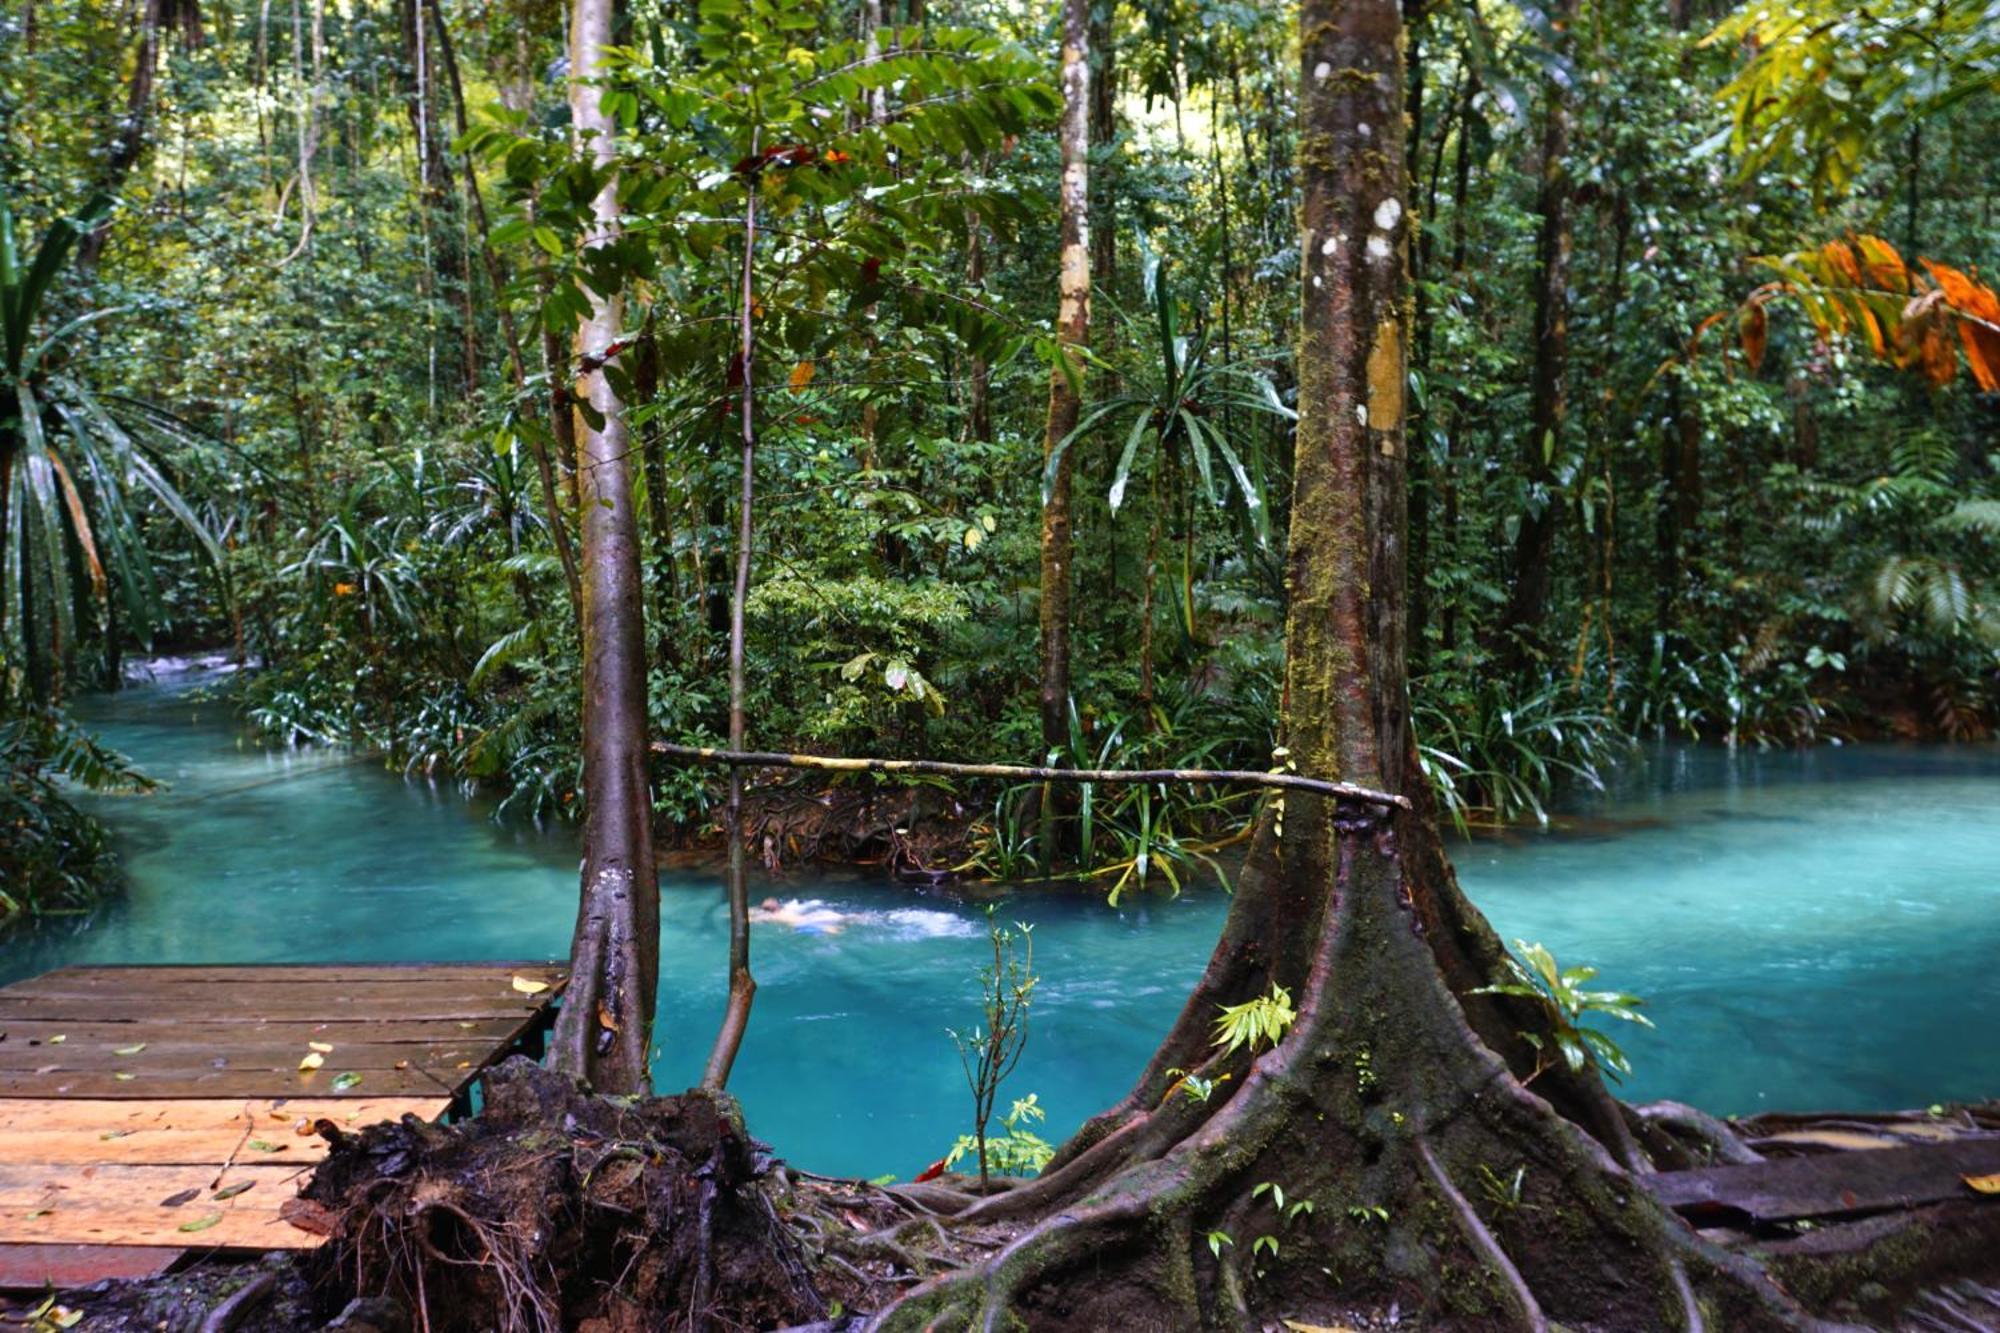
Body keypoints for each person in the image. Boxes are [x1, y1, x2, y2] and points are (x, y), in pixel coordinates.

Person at [751, 896, 850, 935]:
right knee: (840, 918)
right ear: (776, 906)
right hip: (809, 917)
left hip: (801, 924)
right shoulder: (787, 908)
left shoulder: (772, 916)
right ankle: (855, 918)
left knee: (829, 929)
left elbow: (755, 919)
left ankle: (838, 932)